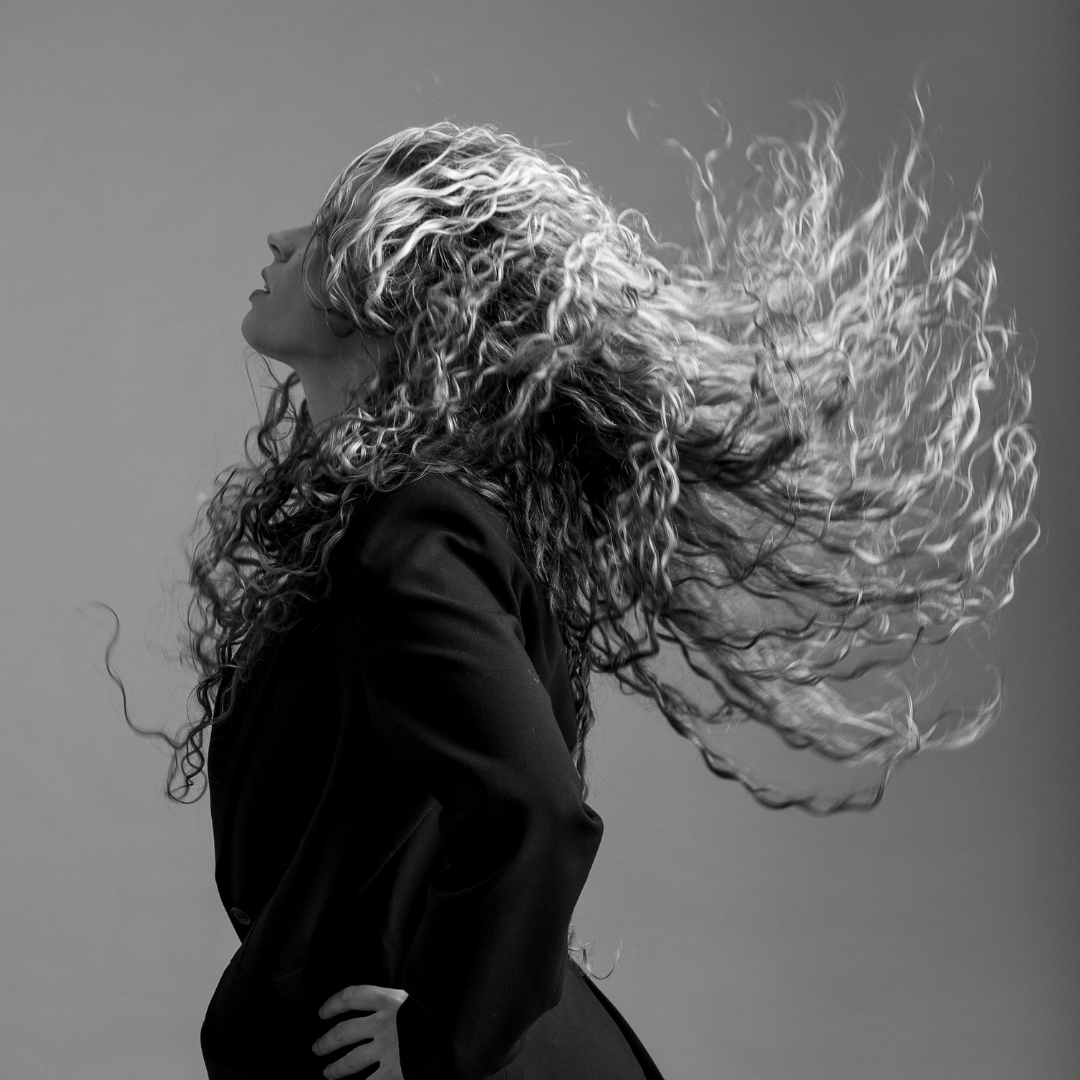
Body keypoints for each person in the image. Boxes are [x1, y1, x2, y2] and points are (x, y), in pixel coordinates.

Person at [159, 108, 1035, 1079]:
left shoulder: (411, 534)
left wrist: (437, 1042)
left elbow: (534, 810)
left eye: (328, 230)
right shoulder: (393, 520)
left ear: (400, 292)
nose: (281, 240)